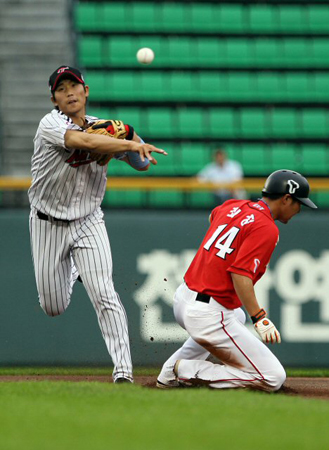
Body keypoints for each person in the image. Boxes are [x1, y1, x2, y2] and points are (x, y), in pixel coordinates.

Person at [28, 65, 167, 384]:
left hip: (89, 219)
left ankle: (123, 371)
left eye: (74, 86)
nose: (69, 93)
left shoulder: (107, 128)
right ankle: (74, 270)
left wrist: (131, 136)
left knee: (104, 292)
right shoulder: (50, 124)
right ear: (54, 99)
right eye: (61, 89)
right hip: (47, 222)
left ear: (85, 91)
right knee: (53, 305)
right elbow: (84, 143)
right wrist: (128, 144)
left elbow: (142, 163)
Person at [157, 170, 317, 392]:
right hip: (206, 314)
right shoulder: (266, 227)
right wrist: (259, 317)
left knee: (237, 315)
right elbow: (240, 275)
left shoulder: (234, 205)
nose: (299, 209)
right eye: (299, 203)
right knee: (273, 377)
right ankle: (186, 370)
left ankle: (167, 374)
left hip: (184, 297)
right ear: (286, 198)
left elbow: (213, 216)